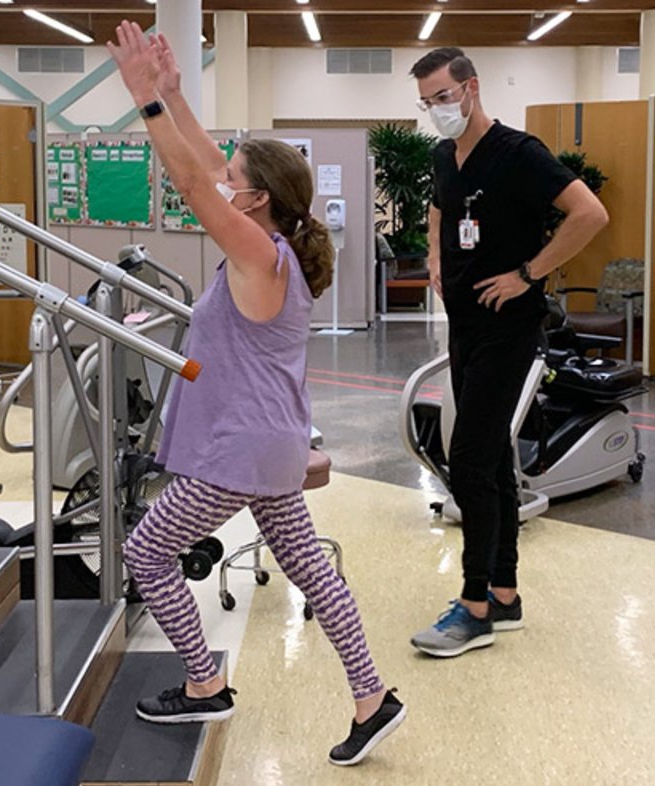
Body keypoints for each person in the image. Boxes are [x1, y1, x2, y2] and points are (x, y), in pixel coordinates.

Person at [105, 22, 405, 766]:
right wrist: (174, 94)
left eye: (234, 181)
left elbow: (188, 183)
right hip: (270, 446)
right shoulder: (278, 246)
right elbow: (209, 166)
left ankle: (205, 684)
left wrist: (144, 100)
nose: (221, 182)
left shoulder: (257, 255)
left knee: (146, 552)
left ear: (257, 198)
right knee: (311, 570)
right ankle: (374, 698)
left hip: (235, 451)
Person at [407, 47, 609, 658]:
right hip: (464, 326)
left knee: (465, 460)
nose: (436, 110)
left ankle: (473, 607)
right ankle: (504, 593)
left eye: (442, 97)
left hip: (510, 328)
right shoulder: (445, 155)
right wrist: (437, 258)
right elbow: (440, 207)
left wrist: (529, 272)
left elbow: (589, 213)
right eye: (426, 103)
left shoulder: (520, 154)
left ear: (471, 88)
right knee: (490, 457)